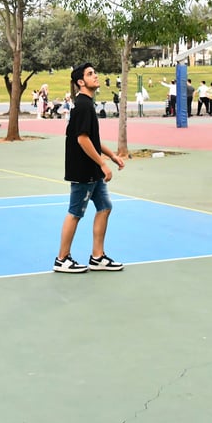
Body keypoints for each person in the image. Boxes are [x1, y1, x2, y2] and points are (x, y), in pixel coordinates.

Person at [54, 62, 126, 273]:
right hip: (83, 170)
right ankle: (62, 259)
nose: (96, 76)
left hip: (92, 169)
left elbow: (93, 139)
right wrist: (103, 164)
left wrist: (112, 156)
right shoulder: (83, 105)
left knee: (104, 207)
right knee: (75, 213)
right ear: (80, 82)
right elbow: (83, 140)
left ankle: (97, 257)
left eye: (95, 72)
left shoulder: (86, 104)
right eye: (90, 74)